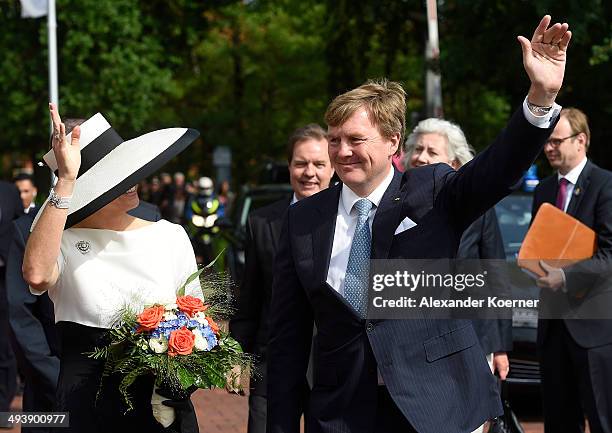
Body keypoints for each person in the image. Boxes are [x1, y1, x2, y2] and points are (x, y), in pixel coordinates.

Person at [267, 16, 571, 433]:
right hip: (341, 413)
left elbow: (497, 169)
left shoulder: (430, 190)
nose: (342, 152)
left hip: (436, 407)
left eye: (355, 140)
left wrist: (540, 97)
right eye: (334, 139)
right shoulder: (303, 219)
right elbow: (288, 341)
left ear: (393, 141)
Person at [23, 104, 201, 433]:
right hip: (86, 409)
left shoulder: (170, 235)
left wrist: (184, 377)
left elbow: (198, 322)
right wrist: (65, 181)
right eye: (116, 175)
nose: (131, 181)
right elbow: (35, 275)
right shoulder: (59, 242)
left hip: (160, 408)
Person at [403, 118, 512, 433]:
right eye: (417, 149)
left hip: (469, 339)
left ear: (453, 163)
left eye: (431, 151)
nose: (421, 157)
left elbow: (496, 276)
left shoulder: (479, 209)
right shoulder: (392, 205)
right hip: (412, 344)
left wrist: (500, 346)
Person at [230, 124, 334, 433]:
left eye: (318, 164)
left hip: (331, 368)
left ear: (333, 169)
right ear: (289, 166)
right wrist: (237, 356)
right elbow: (250, 297)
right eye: (301, 163)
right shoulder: (261, 222)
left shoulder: (349, 222)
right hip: (272, 365)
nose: (309, 172)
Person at [532, 107, 612, 433]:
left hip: (593, 330)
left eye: (556, 141)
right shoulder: (543, 191)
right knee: (559, 422)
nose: (549, 148)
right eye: (546, 142)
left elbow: (610, 255)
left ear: (581, 140)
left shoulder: (605, 185)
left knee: (603, 420)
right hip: (553, 329)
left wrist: (565, 276)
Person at [6, 204, 60, 433]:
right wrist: (54, 375)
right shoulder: (26, 227)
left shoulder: (148, 219)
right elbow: (21, 315)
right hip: (47, 385)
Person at [0, 181, 23, 429]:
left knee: (4, 345)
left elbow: (18, 228)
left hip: (3, 280)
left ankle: (3, 407)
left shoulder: (8, 191)